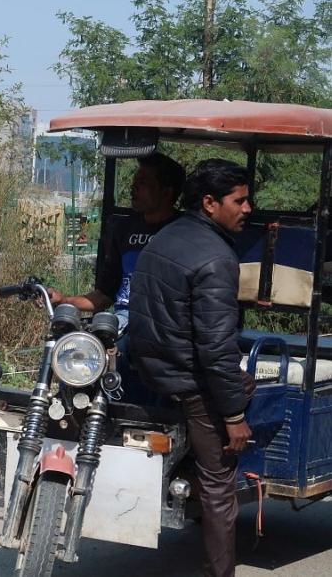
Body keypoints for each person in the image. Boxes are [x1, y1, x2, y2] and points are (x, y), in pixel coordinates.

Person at [128, 158, 254, 577]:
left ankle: (185, 465)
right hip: (191, 383)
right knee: (220, 488)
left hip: (152, 373)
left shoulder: (163, 238)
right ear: (210, 203)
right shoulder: (217, 258)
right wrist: (234, 417)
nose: (248, 209)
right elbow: (217, 350)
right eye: (240, 200)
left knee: (245, 381)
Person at [48, 152, 186, 316]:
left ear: (166, 193)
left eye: (142, 182)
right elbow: (106, 294)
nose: (133, 186)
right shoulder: (124, 229)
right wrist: (64, 301)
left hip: (162, 329)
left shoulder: (186, 231)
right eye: (135, 180)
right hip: (122, 324)